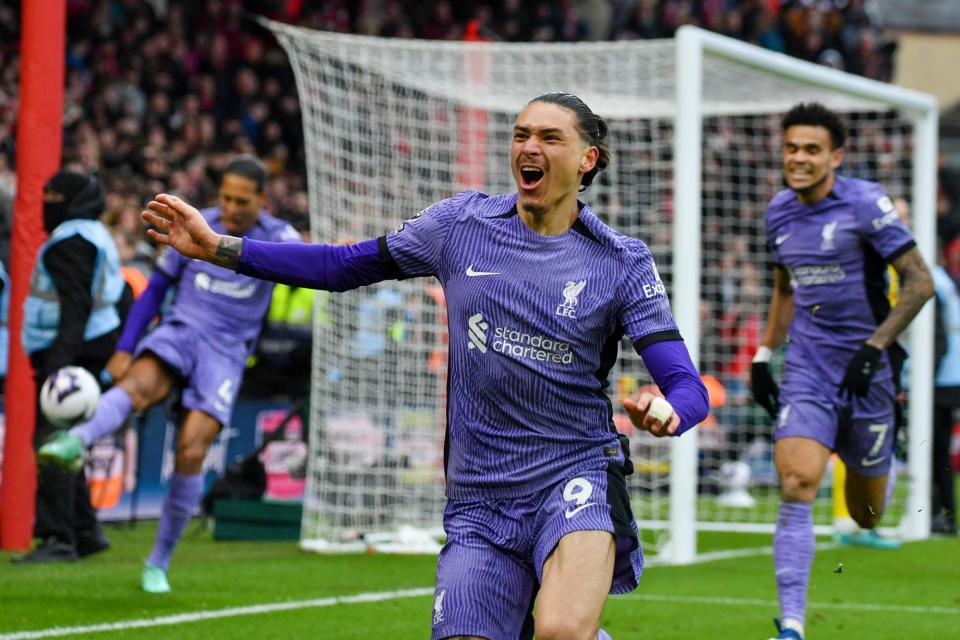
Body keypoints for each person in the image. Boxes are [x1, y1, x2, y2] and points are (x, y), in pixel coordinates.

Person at [138, 93, 710, 640]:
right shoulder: (461, 226)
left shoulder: (620, 259)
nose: (529, 146)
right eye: (520, 134)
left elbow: (687, 385)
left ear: (587, 159)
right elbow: (341, 266)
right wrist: (220, 247)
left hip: (575, 473)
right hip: (480, 494)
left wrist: (669, 412)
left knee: (560, 629)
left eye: (549, 137)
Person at [39, 155, 300, 592]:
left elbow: (305, 265)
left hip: (227, 351)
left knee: (192, 450)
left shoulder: (280, 237)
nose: (231, 208)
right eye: (226, 197)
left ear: (262, 199)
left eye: (242, 200)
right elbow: (155, 289)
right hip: (182, 328)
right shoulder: (194, 223)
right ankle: (72, 441)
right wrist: (125, 347)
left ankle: (157, 562)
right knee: (138, 385)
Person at [750, 103, 934, 640]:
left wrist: (875, 348)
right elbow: (786, 288)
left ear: (836, 156)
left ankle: (881, 466)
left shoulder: (865, 204)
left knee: (868, 512)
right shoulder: (779, 211)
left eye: (811, 149)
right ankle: (791, 626)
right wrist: (765, 355)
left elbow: (919, 282)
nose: (799, 158)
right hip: (808, 368)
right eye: (791, 148)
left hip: (869, 373)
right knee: (796, 482)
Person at [14, 170, 129, 564]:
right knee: (67, 441)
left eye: (53, 195)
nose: (46, 202)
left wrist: (56, 369)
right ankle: (85, 529)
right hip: (91, 348)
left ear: (71, 200)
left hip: (71, 355)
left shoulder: (70, 241)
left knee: (50, 442)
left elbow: (74, 310)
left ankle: (58, 538)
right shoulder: (95, 232)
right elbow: (121, 293)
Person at [931, 260, 960, 535]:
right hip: (950, 377)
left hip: (938, 381)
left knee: (932, 452)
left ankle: (939, 516)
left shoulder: (930, 282)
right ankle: (946, 515)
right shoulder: (942, 279)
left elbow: (937, 339)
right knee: (938, 453)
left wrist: (922, 378)